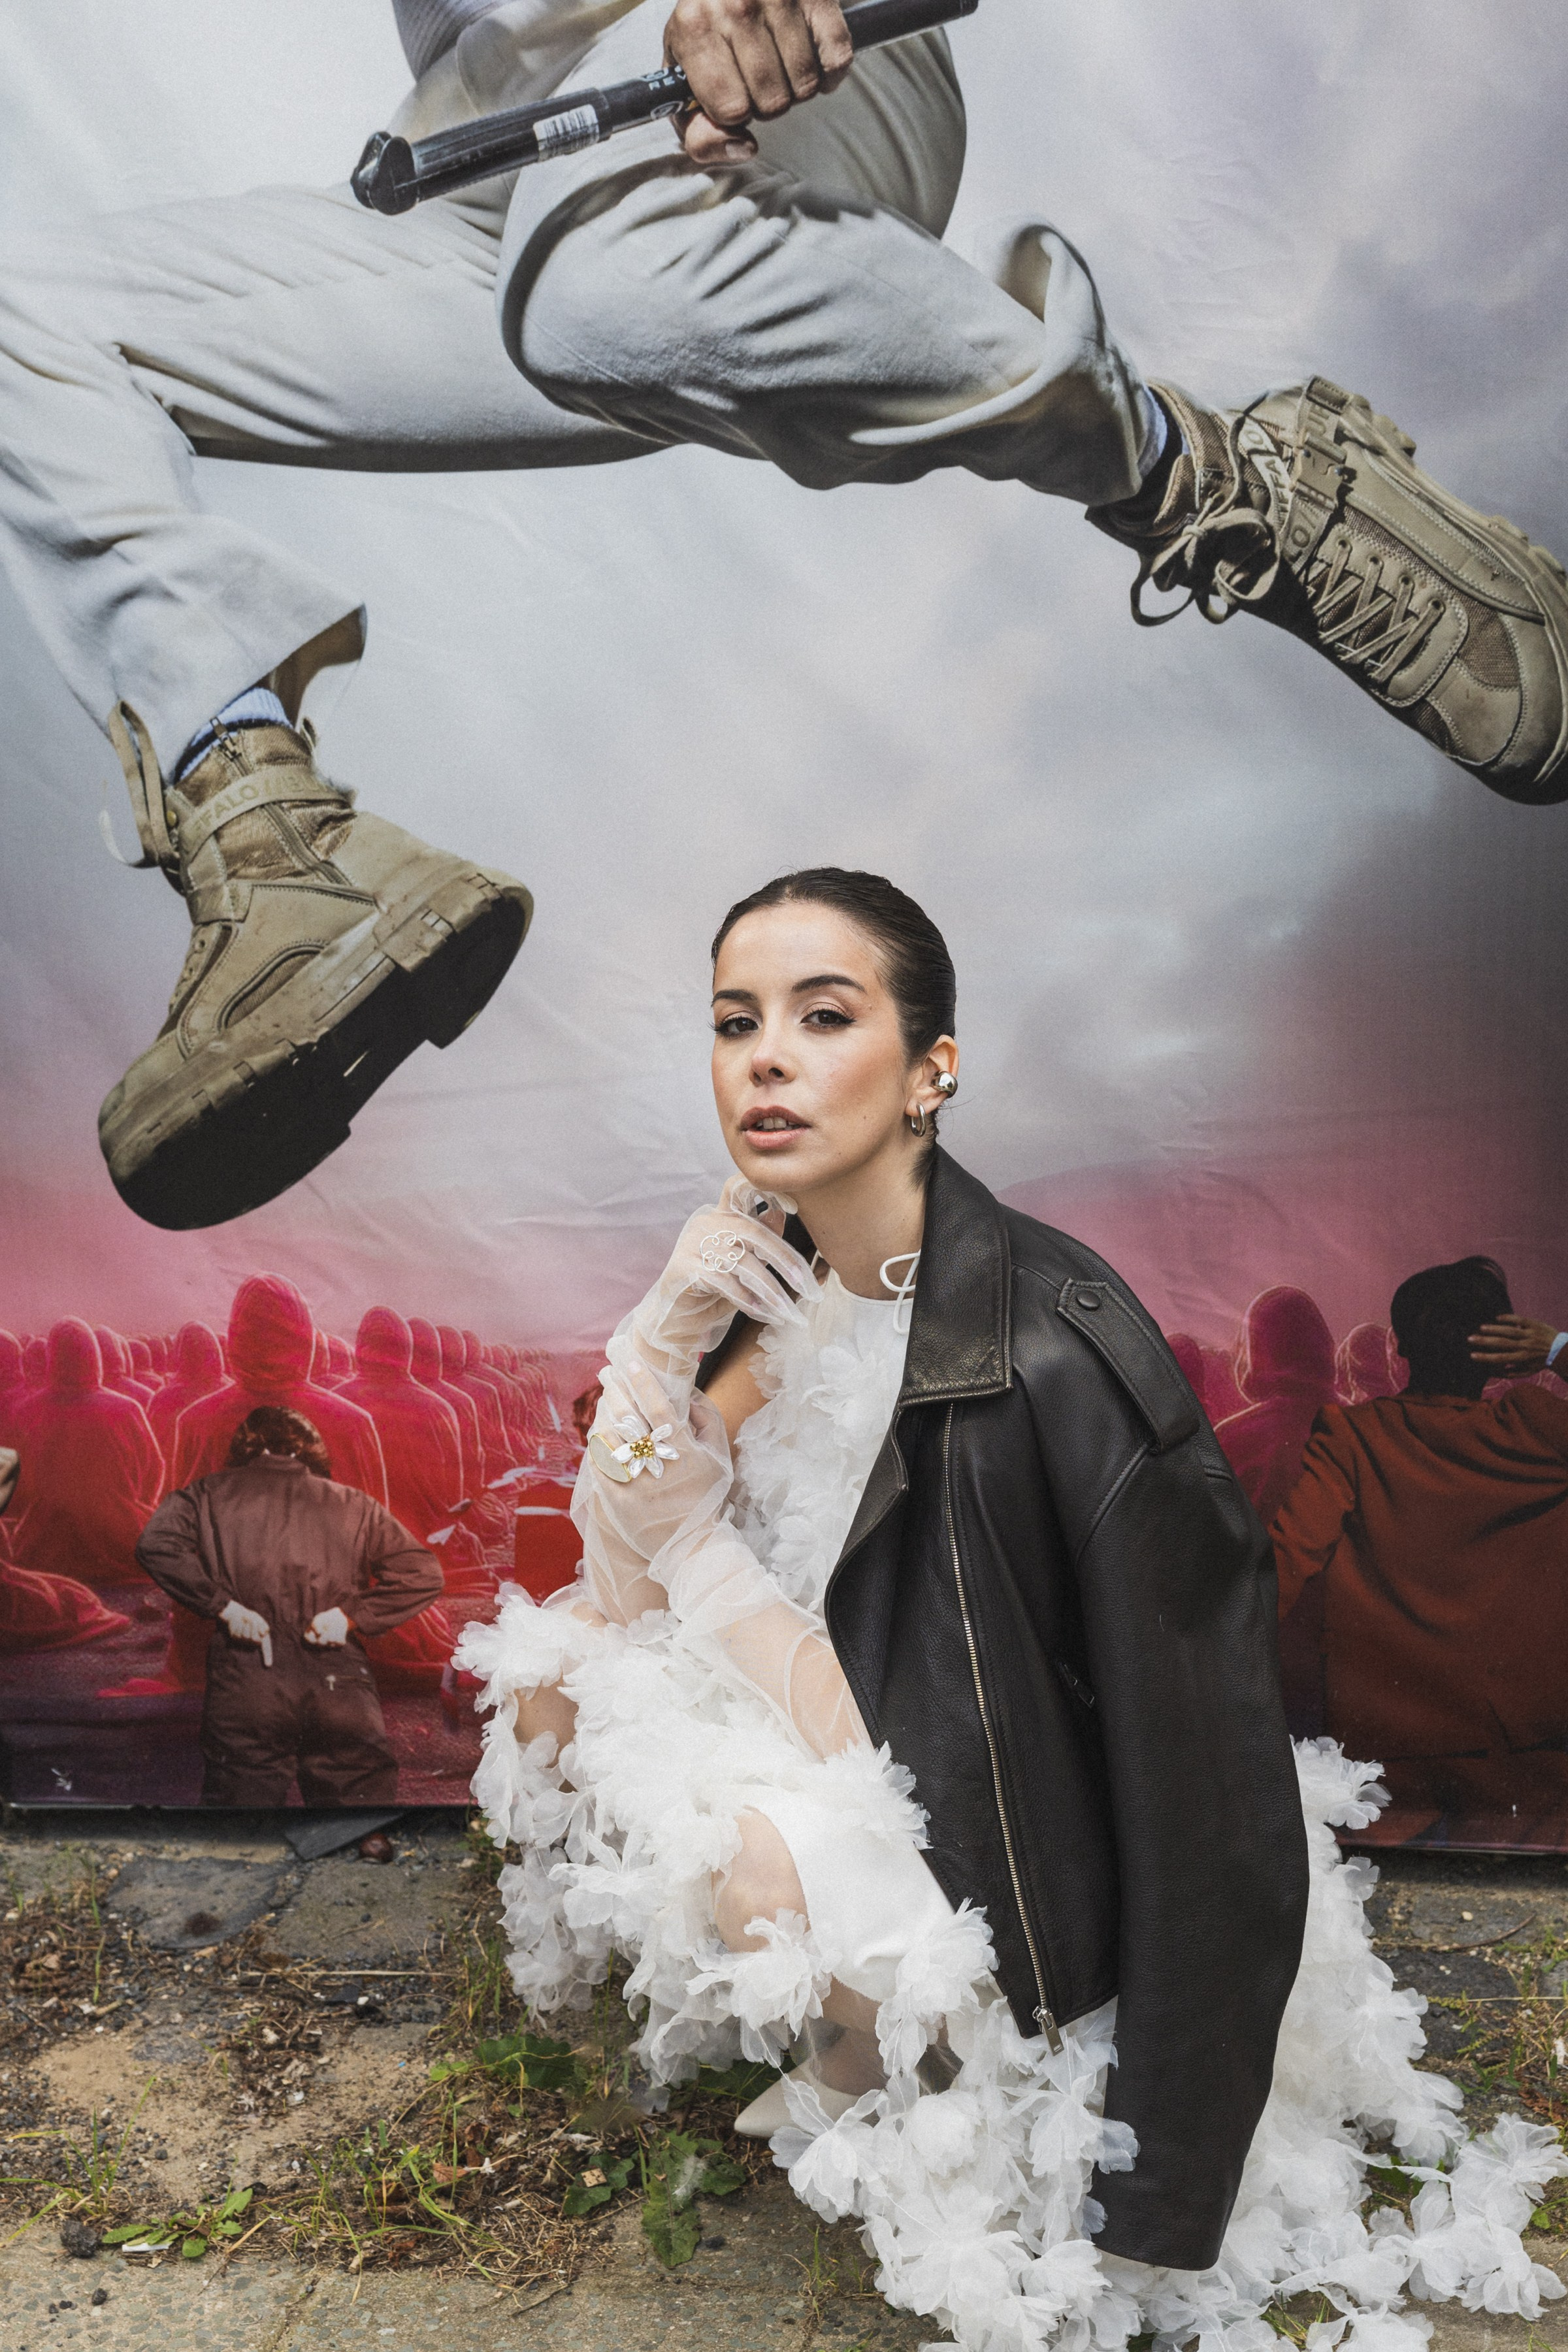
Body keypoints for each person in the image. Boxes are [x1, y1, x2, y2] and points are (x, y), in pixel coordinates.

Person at [1, 3, 1564, 1233]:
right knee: (24, 313)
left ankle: (1218, 480)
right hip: (495, 151)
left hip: (780, 62)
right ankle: (268, 835)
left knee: (598, 292)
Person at [456, 870, 1561, 2352]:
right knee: (554, 1669)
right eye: (735, 1021)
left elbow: (945, 1721)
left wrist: (706, 1564)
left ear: (930, 1071)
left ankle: (906, 2084)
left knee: (765, 1864)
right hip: (835, 1685)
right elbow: (622, 1567)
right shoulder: (770, 1272)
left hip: (1037, 1821)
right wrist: (659, 1335)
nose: (765, 1059)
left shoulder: (1039, 1349)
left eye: (822, 1015)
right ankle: (818, 2056)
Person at [1271, 1257, 1568, 1842]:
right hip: (1532, 1749)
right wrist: (1558, 1350)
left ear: (1400, 1346)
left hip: (1392, 1751)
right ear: (1502, 1348)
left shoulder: (1353, 1435)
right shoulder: (1538, 1426)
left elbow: (1283, 1561)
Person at [136, 1405, 444, 1804]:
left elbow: (155, 1545)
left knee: (242, 1812)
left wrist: (225, 1609)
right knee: (358, 1804)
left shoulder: (205, 1495)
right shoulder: (354, 1504)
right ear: (309, 1450)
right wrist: (350, 1616)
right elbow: (423, 1573)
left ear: (248, 1447)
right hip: (336, 1674)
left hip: (246, 1675)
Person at [8, 1319, 164, 1590]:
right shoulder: (126, 1411)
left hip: (45, 1545)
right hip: (121, 1536)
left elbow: (19, 1487)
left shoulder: (28, 1411)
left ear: (51, 1358)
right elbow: (154, 1470)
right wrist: (128, 1506)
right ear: (94, 1357)